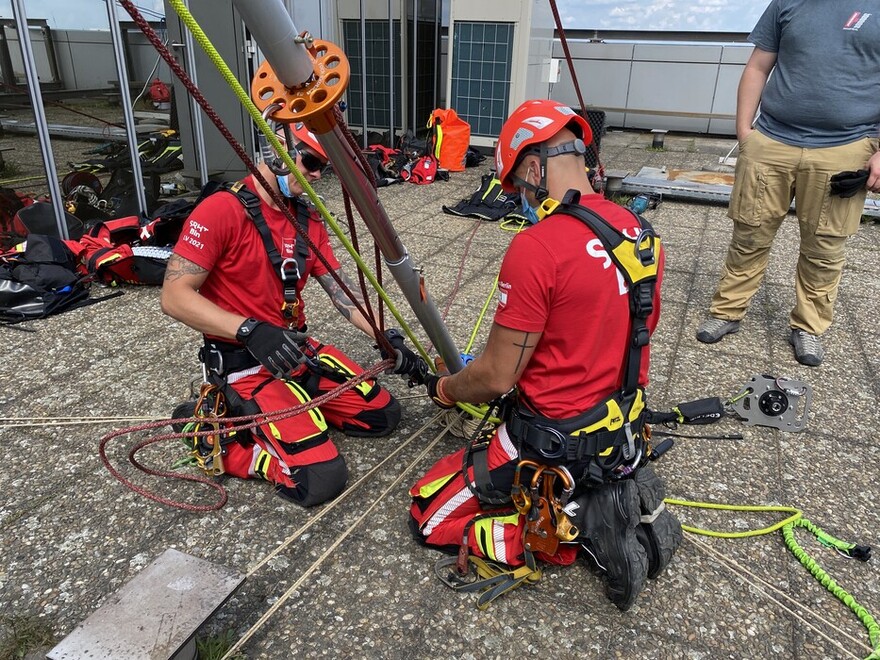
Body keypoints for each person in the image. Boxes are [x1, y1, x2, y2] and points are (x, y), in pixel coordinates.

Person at [407, 99, 681, 611]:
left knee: (430, 513)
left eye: (515, 187)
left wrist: (446, 388)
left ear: (533, 168)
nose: (518, 199)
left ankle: (568, 526)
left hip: (550, 443)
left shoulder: (539, 247)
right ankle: (608, 493)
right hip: (618, 427)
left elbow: (494, 378)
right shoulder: (641, 234)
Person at [161, 121, 412, 507]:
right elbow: (175, 296)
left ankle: (291, 420)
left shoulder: (307, 219)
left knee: (382, 415)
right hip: (245, 364)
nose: (314, 175)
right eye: (309, 161)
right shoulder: (221, 210)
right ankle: (211, 433)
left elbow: (342, 295)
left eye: (321, 168)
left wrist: (385, 337)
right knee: (320, 480)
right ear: (277, 148)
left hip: (294, 352)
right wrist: (249, 331)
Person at [696, 0, 880, 366]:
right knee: (749, 233)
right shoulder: (787, 2)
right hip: (771, 141)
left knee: (825, 247)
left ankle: (808, 327)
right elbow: (759, 65)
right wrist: (745, 133)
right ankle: (727, 312)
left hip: (846, 146)